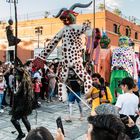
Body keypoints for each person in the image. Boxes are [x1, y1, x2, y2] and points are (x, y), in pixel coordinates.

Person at [11, 67, 33, 140]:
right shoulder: (23, 82)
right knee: (24, 118)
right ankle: (30, 134)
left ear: (20, 75)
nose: (15, 75)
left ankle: (21, 134)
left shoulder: (24, 84)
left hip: (21, 105)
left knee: (13, 119)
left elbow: (22, 96)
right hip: (23, 105)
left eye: (16, 74)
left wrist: (15, 94)